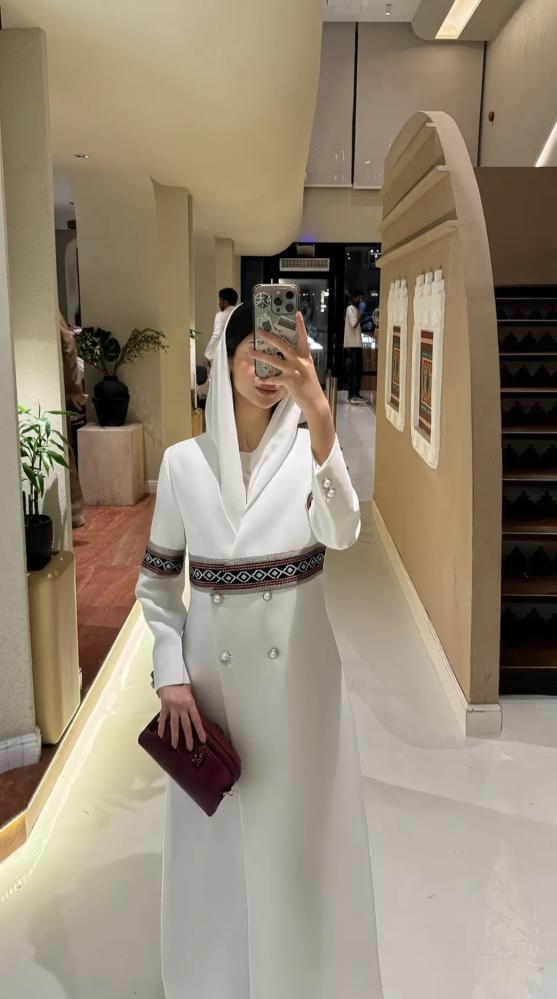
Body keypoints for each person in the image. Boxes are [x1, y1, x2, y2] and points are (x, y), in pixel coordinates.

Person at [136, 300, 383, 999]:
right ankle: (214, 980)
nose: (267, 371)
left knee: (297, 840)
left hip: (298, 683)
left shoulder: (310, 456)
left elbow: (341, 532)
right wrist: (169, 673)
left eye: (282, 356)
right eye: (255, 353)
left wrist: (323, 421)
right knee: (216, 843)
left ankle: (303, 978)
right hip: (209, 694)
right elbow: (157, 585)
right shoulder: (183, 464)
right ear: (227, 358)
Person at [59, 310, 87, 528]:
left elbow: (68, 341)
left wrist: (73, 388)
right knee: (62, 445)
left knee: (62, 446)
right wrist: (74, 388)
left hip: (56, 385)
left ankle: (74, 510)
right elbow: (67, 342)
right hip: (59, 385)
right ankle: (74, 510)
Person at [204, 286, 239, 364]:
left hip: (222, 354)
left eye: (220, 300)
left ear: (225, 301)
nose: (219, 303)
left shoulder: (220, 315)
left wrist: (208, 354)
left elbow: (217, 335)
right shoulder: (239, 313)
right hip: (237, 354)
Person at [344, 289, 366, 405]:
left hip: (356, 344)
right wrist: (360, 313)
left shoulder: (354, 309)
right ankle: (353, 395)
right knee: (355, 370)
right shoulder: (350, 309)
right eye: (360, 298)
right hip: (353, 345)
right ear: (354, 298)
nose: (361, 300)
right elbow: (353, 323)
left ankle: (355, 394)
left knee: (357, 370)